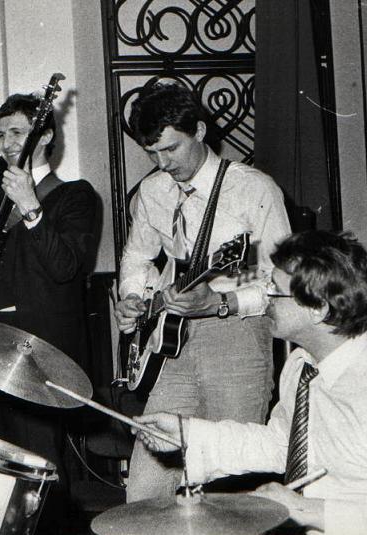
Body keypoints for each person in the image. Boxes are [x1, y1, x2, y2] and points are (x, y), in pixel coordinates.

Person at [134, 230, 367, 534]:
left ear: (318, 308)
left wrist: (305, 510)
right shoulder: (303, 365)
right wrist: (187, 433)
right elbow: (281, 443)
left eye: (275, 290)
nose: (265, 297)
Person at [114, 80, 291, 502]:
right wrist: (132, 296)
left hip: (237, 337)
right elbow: (138, 255)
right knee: (145, 489)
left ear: (198, 130)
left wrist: (221, 302)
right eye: (151, 153)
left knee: (228, 484)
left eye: (170, 149)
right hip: (171, 346)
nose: (162, 163)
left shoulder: (253, 190)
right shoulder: (154, 191)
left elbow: (278, 281)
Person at [0, 93, 99, 533]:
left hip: (36, 362)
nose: (6, 142)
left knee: (38, 483)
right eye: (0, 134)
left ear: (44, 136)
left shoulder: (74, 196)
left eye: (16, 132)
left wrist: (30, 205)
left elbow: (65, 267)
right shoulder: (0, 200)